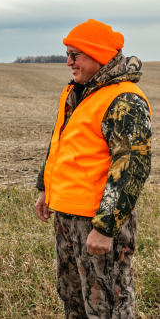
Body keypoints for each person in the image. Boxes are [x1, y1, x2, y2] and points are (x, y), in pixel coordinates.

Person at [35, 19, 152, 319]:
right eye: (68, 54)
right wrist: (46, 187)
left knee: (108, 308)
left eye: (75, 54)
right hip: (66, 217)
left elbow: (132, 166)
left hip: (97, 222)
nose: (68, 62)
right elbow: (60, 141)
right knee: (73, 301)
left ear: (98, 55)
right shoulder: (75, 92)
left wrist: (105, 227)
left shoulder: (124, 99)